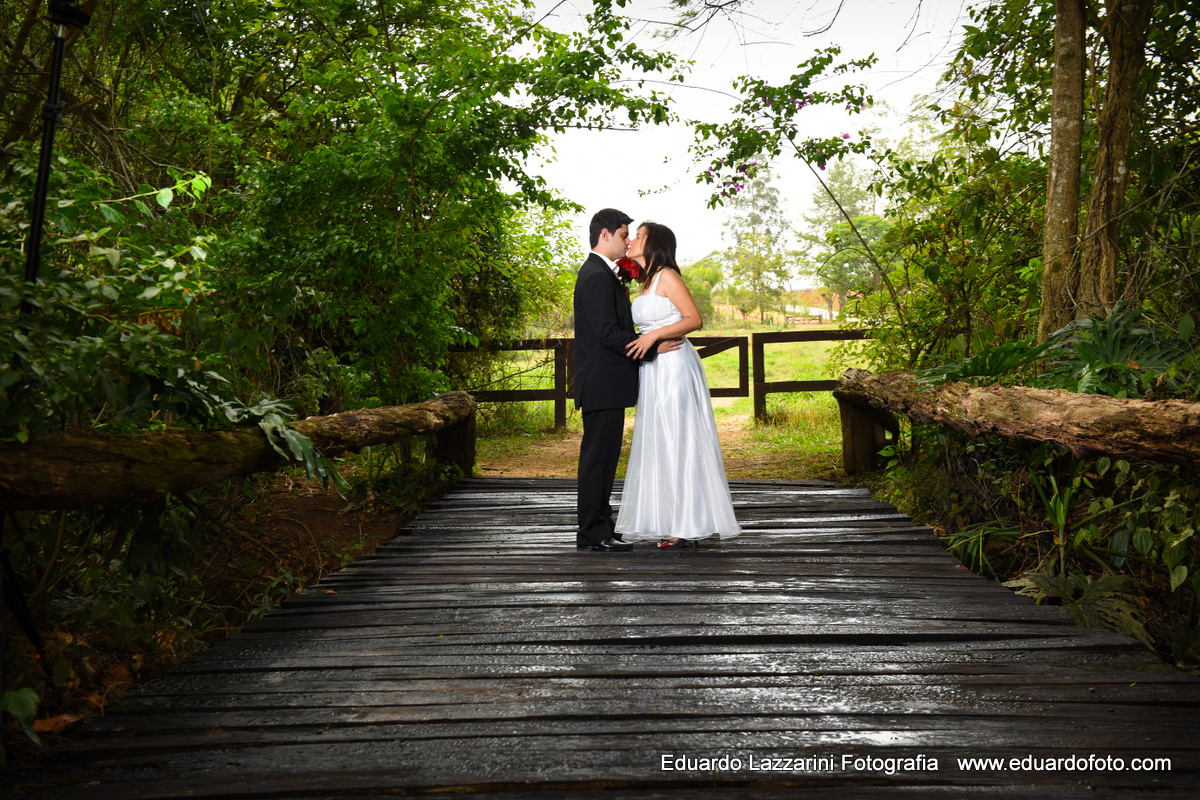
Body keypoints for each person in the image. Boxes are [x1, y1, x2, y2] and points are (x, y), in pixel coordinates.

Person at [615, 221, 741, 547]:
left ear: (653, 244)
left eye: (639, 236)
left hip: (675, 367)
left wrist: (654, 335)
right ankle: (668, 518)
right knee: (659, 440)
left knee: (680, 438)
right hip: (654, 369)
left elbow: (693, 319)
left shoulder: (668, 276)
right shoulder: (644, 283)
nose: (632, 240)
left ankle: (686, 524)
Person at [572, 209, 680, 552]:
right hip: (601, 382)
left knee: (605, 459)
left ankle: (602, 526)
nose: (627, 241)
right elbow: (606, 333)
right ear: (605, 235)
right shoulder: (595, 275)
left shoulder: (603, 274)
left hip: (608, 383)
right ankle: (592, 533)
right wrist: (652, 347)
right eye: (623, 234)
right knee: (597, 460)